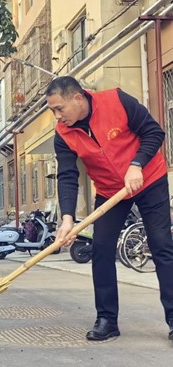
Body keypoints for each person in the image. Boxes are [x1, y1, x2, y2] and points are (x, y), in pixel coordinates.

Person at [46, 76, 173, 342]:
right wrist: (67, 219)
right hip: (109, 191)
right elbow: (68, 176)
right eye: (53, 111)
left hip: (148, 179)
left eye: (60, 109)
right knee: (101, 249)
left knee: (162, 246)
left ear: (78, 98)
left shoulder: (117, 100)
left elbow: (154, 132)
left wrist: (137, 163)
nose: (57, 116)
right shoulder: (63, 133)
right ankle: (106, 319)